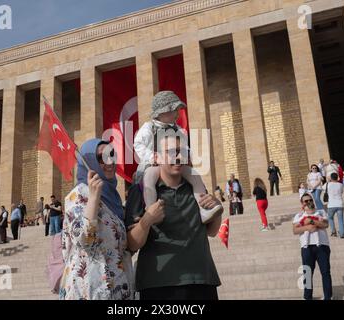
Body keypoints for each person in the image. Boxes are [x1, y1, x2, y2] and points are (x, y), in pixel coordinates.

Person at [126, 128, 222, 300]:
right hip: (159, 284)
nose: (178, 157)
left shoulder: (195, 187)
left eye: (182, 151)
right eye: (171, 152)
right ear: (156, 158)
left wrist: (217, 210)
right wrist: (146, 221)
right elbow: (132, 245)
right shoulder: (141, 190)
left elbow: (212, 231)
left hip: (202, 280)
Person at [59, 138, 134, 300]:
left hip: (117, 289)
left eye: (112, 155)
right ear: (89, 161)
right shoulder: (78, 194)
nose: (109, 161)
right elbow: (84, 240)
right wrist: (93, 197)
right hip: (89, 289)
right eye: (101, 157)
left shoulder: (113, 198)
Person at [134, 91, 221, 225]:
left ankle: (203, 208)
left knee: (194, 175)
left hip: (176, 163)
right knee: (148, 179)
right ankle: (149, 210)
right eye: (173, 110)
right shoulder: (148, 127)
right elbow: (138, 143)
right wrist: (152, 157)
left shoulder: (178, 130)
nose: (177, 114)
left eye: (177, 110)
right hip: (153, 164)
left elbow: (185, 147)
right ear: (161, 113)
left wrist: (188, 158)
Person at [293, 193, 332, 300]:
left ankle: (328, 296)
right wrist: (307, 227)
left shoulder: (321, 212)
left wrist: (311, 221)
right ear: (302, 204)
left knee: (325, 272)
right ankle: (307, 296)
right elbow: (295, 230)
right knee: (307, 273)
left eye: (310, 200)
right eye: (306, 201)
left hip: (322, 246)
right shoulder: (299, 216)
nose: (308, 202)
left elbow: (325, 225)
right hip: (306, 247)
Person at [323, 173, 344, 238]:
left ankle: (333, 232)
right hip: (340, 204)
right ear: (337, 177)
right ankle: (342, 234)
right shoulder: (341, 185)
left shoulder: (327, 184)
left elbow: (323, 188)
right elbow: (341, 192)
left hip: (331, 205)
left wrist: (327, 180)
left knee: (330, 218)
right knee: (340, 220)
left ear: (331, 178)